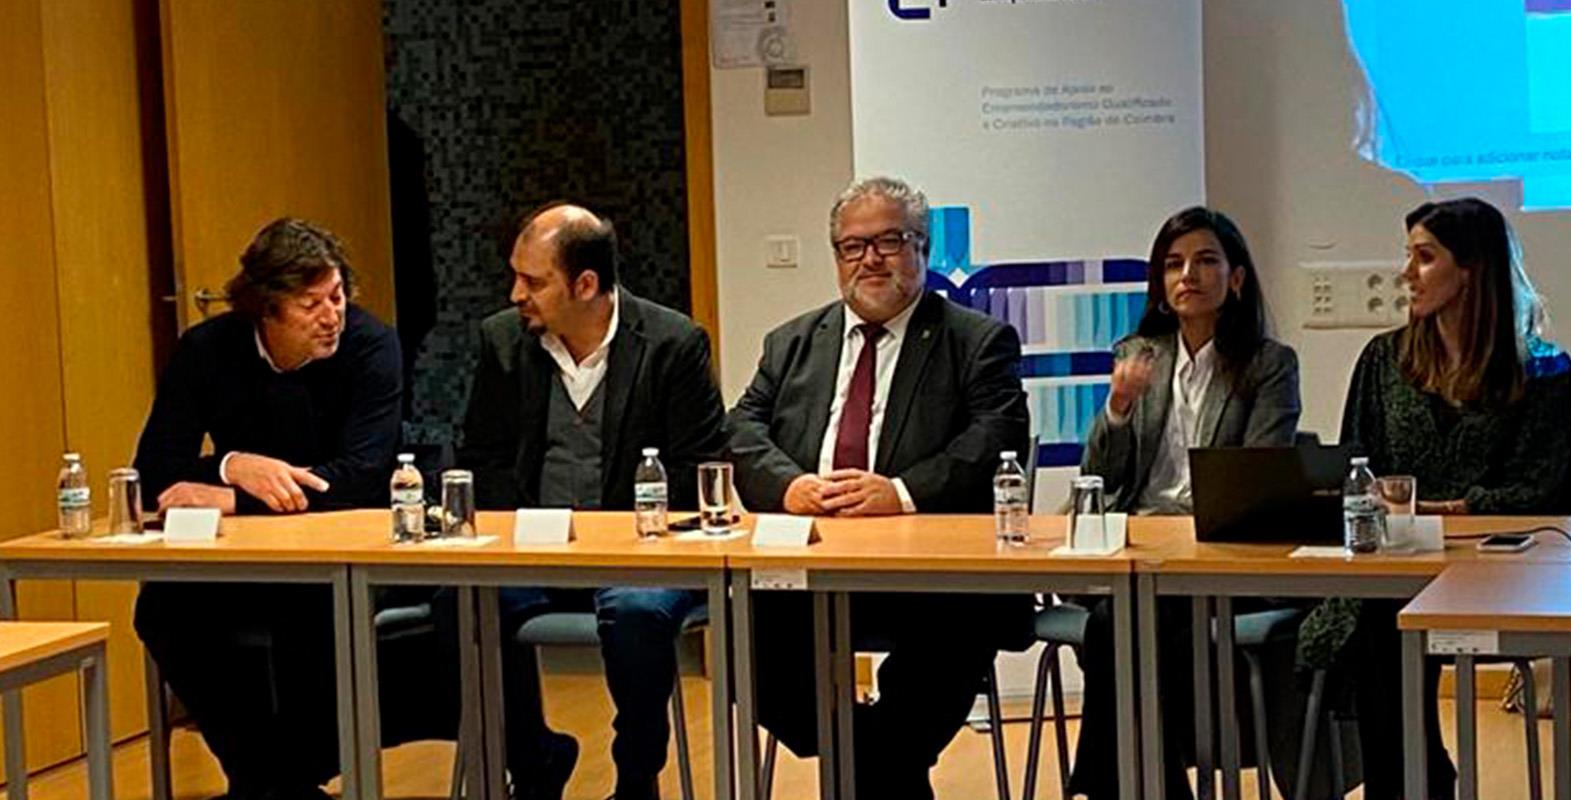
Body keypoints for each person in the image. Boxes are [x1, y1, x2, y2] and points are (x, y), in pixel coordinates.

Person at [726, 176, 1032, 798]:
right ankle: (878, 761)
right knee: (746, 633)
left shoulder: (976, 340)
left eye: (889, 241)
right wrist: (789, 486)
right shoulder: (791, 343)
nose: (870, 259)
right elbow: (739, 429)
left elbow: (996, 437)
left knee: (953, 635)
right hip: (813, 565)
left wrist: (900, 492)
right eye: (852, 246)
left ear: (923, 248)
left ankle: (867, 766)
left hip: (931, 574)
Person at [457, 202, 730, 800]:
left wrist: (625, 536)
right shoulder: (503, 341)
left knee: (637, 611)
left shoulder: (673, 343)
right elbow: (483, 458)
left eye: (533, 281)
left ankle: (636, 778)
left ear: (585, 285)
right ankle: (533, 759)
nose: (516, 294)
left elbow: (698, 466)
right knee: (460, 602)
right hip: (532, 553)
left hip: (641, 556)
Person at [132, 218, 403, 798]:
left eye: (337, 296)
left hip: (344, 552)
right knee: (162, 607)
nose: (332, 316)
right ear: (265, 309)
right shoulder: (207, 350)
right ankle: (270, 782)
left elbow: (360, 476)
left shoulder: (370, 346)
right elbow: (154, 471)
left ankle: (277, 784)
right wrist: (232, 464)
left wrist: (233, 494)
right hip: (244, 556)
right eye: (311, 304)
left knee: (306, 611)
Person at [1318, 197, 1571, 799]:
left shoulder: (1542, 369)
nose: (1406, 273)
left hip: (1498, 574)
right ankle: (1417, 783)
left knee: (1385, 626)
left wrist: (1453, 510)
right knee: (1375, 623)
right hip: (1398, 567)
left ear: (1472, 269)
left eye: (1425, 258)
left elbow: (1537, 487)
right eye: (1408, 256)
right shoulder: (1384, 359)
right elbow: (1356, 465)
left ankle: (1416, 785)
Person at [1069, 206, 1302, 800]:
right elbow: (1099, 476)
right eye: (1173, 264)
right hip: (1138, 550)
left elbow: (1259, 476)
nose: (1187, 276)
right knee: (1125, 618)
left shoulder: (1268, 364)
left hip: (1221, 556)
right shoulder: (1139, 353)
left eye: (1205, 261)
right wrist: (1118, 408)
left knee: (1115, 625)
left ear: (1236, 278)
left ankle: (1114, 786)